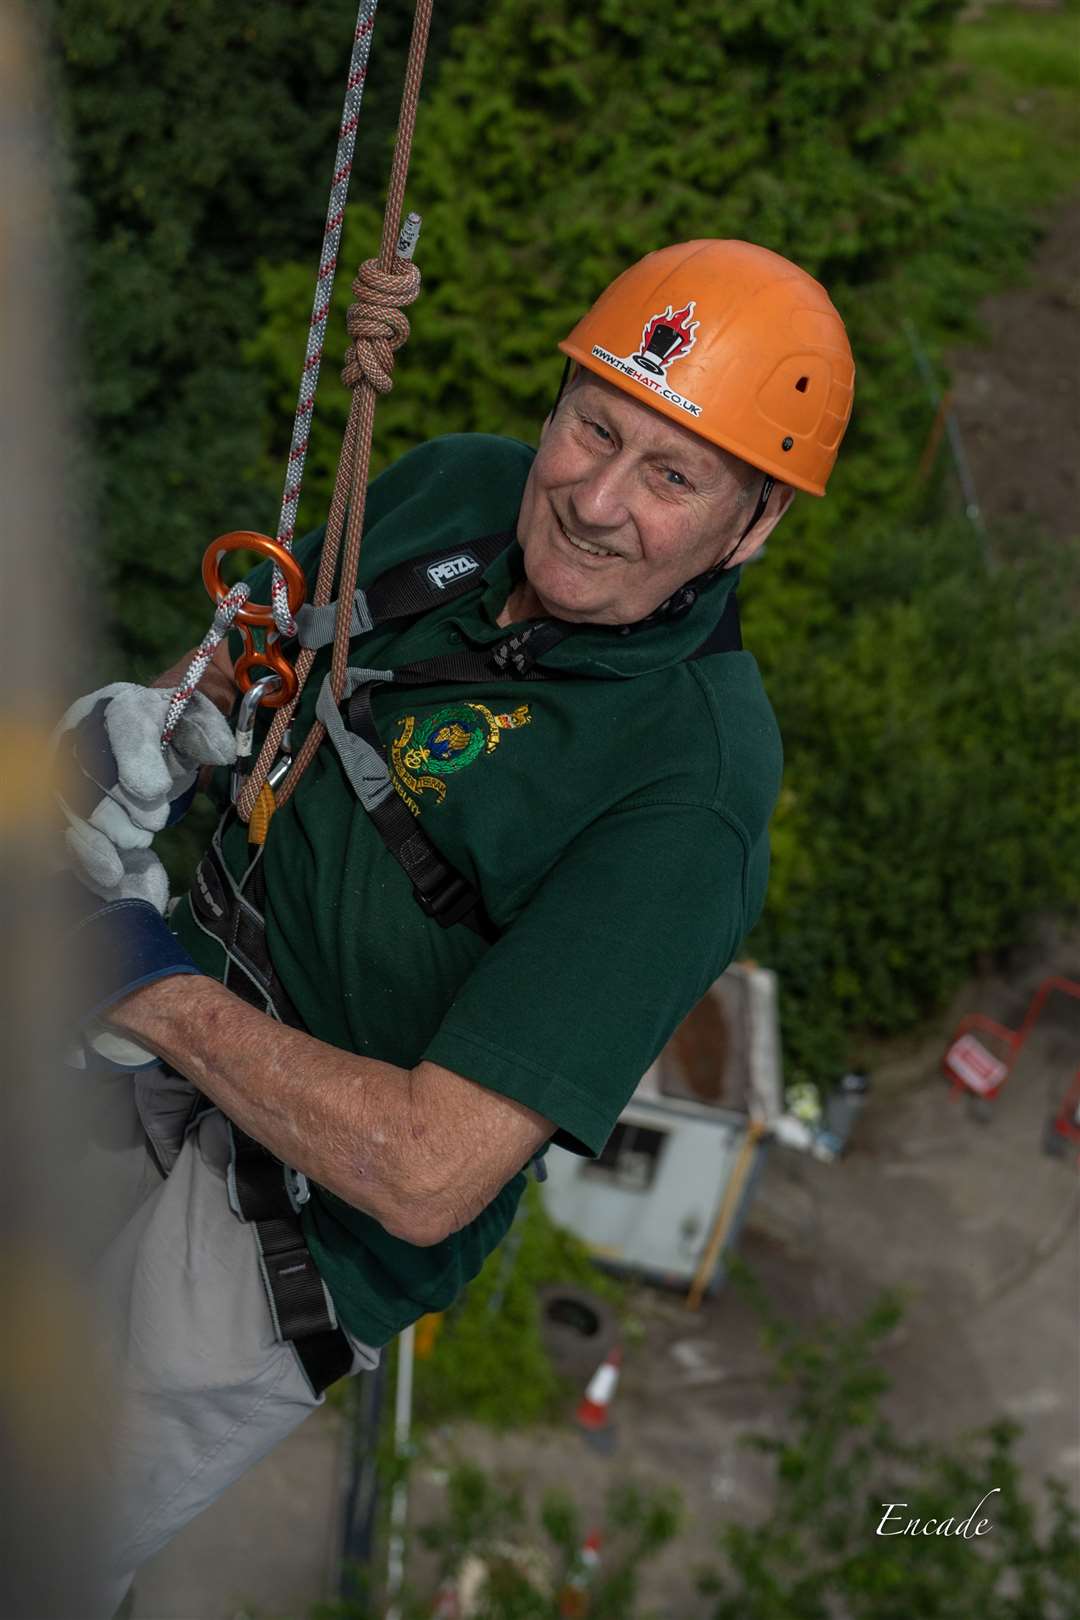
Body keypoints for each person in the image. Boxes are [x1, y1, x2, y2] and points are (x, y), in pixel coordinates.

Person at [57, 238, 854, 1614]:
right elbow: (275, 648)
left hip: (278, 1237)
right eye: (593, 427)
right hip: (156, 1043)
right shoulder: (462, 489)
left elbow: (428, 1173)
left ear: (756, 521)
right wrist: (170, 720)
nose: (594, 502)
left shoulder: (686, 799)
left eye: (671, 475)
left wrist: (141, 982)